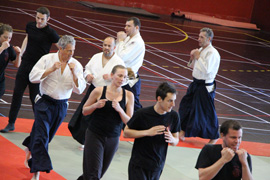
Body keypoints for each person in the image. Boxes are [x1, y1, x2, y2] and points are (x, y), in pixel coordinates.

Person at [22, 35, 86, 180]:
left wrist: (75, 74)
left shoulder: (76, 65)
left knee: (47, 137)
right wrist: (50, 70)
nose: (71, 54)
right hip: (44, 103)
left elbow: (80, 90)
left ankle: (30, 145)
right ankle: (37, 171)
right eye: (69, 50)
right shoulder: (47, 59)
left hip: (61, 105)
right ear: (61, 48)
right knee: (42, 137)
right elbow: (32, 77)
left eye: (73, 50)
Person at [0, 7, 60, 133]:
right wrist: (21, 54)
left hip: (38, 67)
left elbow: (60, 46)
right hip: (25, 64)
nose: (39, 21)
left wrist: (52, 62)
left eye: (42, 19)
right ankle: (11, 123)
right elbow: (27, 38)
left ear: (48, 19)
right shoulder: (30, 26)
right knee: (17, 93)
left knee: (35, 97)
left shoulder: (51, 33)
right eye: (37, 18)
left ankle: (40, 124)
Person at [78, 65, 134, 180]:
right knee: (94, 174)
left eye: (125, 77)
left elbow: (129, 122)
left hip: (113, 138)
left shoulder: (128, 95)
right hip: (95, 135)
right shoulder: (99, 90)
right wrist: (95, 105)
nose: (122, 79)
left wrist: (119, 110)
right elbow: (84, 111)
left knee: (96, 173)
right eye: (119, 75)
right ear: (112, 75)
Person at [68, 36, 125, 145]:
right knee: (86, 115)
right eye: (104, 45)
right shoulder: (96, 57)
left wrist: (112, 77)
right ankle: (84, 140)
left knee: (100, 118)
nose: (106, 48)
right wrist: (88, 75)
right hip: (94, 90)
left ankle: (101, 139)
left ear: (114, 47)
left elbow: (124, 79)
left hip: (108, 93)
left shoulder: (119, 62)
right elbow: (87, 69)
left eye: (109, 46)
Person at [124, 81, 180, 180]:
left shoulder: (174, 116)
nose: (173, 104)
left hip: (157, 166)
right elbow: (126, 132)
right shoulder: (142, 114)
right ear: (159, 99)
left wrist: (172, 139)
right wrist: (147, 132)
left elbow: (176, 140)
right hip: (139, 164)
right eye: (169, 101)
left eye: (174, 100)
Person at [178, 27, 220, 144]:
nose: (199, 39)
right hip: (196, 83)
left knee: (207, 112)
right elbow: (193, 68)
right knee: (186, 106)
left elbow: (206, 70)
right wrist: (192, 58)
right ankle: (183, 131)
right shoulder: (201, 50)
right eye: (199, 36)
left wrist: (197, 57)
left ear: (209, 39)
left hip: (205, 86)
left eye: (202, 37)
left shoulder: (212, 53)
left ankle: (214, 136)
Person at [115, 16, 145, 111]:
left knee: (132, 107)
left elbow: (121, 56)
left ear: (136, 28)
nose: (125, 28)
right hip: (124, 76)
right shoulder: (128, 39)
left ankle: (142, 125)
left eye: (129, 26)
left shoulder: (137, 42)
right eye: (125, 25)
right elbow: (115, 54)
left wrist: (120, 41)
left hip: (130, 78)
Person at [0, 23, 21, 99]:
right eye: (5, 37)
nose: (7, 40)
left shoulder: (9, 48)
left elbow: (16, 64)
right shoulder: (4, 47)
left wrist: (19, 54)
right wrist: (2, 48)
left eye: (9, 38)